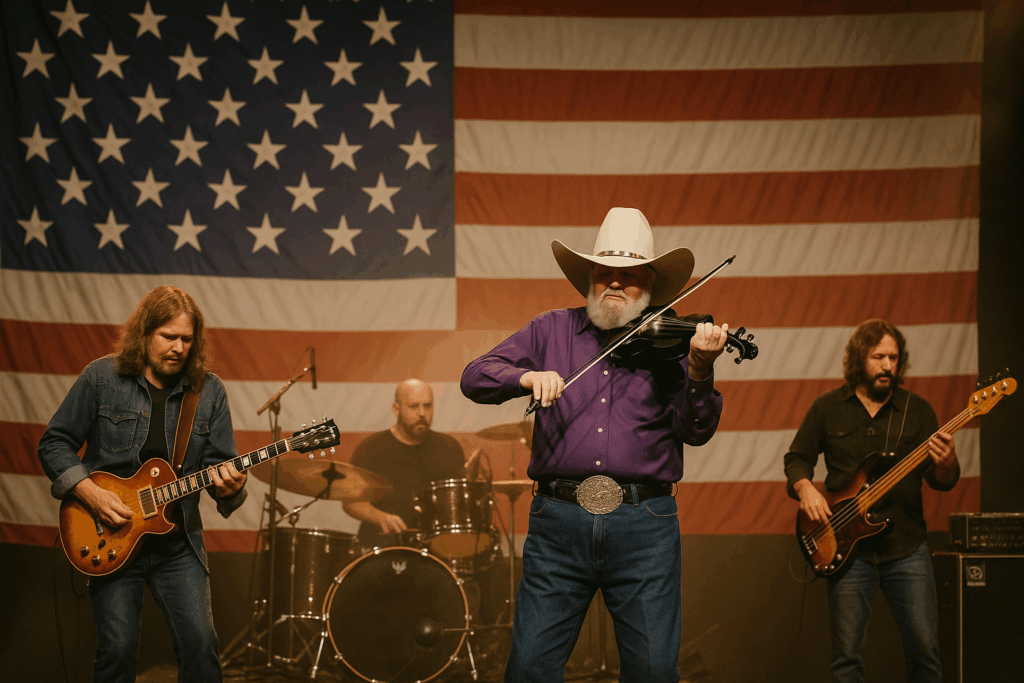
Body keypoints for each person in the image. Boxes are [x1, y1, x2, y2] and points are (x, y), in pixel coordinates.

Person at [461, 207, 729, 683]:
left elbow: (696, 431)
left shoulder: (672, 343)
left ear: (650, 285)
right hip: (558, 525)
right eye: (604, 272)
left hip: (644, 527)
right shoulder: (551, 329)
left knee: (652, 672)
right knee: (529, 669)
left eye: (629, 275)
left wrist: (701, 370)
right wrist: (525, 377)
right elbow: (474, 377)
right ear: (589, 278)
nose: (615, 282)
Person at [38, 286, 247, 683]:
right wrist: (90, 493)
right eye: (169, 336)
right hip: (111, 536)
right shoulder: (102, 377)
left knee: (201, 646)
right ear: (145, 333)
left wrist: (230, 488)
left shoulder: (208, 391)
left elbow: (220, 469)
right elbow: (54, 443)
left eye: (187, 339)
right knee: (117, 650)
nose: (179, 348)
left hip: (177, 544)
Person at [784, 319, 960, 683]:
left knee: (925, 653)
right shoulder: (827, 407)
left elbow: (941, 481)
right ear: (858, 358)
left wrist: (947, 462)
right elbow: (797, 458)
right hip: (848, 551)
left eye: (893, 358)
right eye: (878, 357)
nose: (887, 366)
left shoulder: (917, 411)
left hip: (907, 549)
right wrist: (805, 488)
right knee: (846, 660)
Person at [343, 378, 465, 550]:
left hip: (434, 549)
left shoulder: (449, 448)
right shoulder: (371, 448)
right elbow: (350, 502)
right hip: (382, 547)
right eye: (414, 406)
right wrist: (380, 517)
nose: (422, 413)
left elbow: (460, 503)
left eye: (427, 406)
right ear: (396, 409)